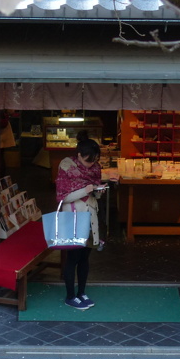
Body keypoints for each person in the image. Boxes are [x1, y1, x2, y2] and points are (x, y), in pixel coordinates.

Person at [54, 132, 104, 311]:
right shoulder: (67, 167)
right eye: (88, 160)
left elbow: (93, 191)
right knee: (73, 258)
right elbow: (63, 197)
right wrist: (86, 190)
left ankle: (81, 292)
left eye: (94, 161)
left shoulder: (96, 168)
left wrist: (97, 191)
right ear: (79, 156)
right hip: (73, 216)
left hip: (90, 215)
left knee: (85, 257)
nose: (92, 165)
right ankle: (70, 296)